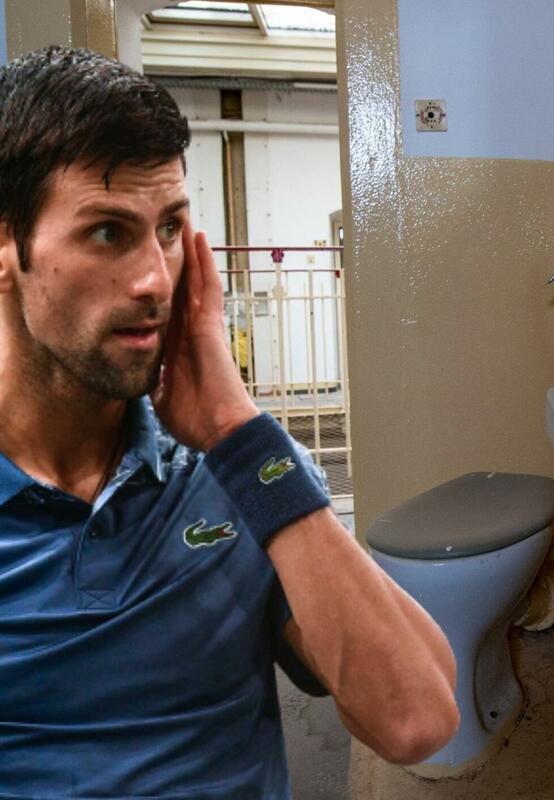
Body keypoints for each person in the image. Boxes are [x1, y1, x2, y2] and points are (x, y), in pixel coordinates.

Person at [0, 47, 458, 798]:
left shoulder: (240, 472)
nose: (155, 279)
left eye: (170, 229)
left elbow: (417, 720)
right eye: (108, 232)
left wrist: (237, 432)